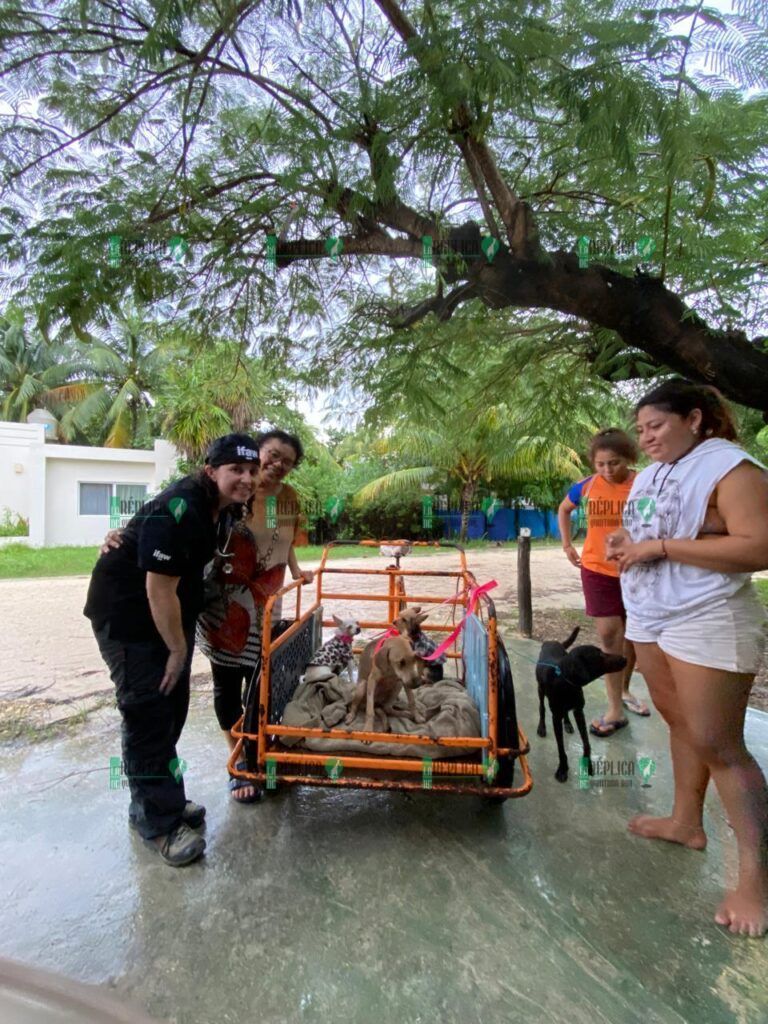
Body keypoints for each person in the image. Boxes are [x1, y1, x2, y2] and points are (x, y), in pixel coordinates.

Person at [606, 379, 768, 937]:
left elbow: (761, 545)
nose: (646, 438)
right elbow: (648, 527)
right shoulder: (650, 474)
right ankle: (685, 822)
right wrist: (626, 541)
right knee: (681, 725)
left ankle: (754, 880)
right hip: (650, 614)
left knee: (721, 744)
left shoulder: (731, 467)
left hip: (707, 616)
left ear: (694, 418)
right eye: (641, 429)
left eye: (656, 426)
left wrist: (661, 547)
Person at [84, 433, 260, 866]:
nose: (246, 478)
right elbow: (157, 588)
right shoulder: (182, 505)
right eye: (235, 469)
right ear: (211, 470)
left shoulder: (221, 509)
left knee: (172, 712)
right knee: (147, 713)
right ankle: (159, 825)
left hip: (164, 618)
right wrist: (179, 651)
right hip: (129, 619)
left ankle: (159, 802)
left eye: (251, 470)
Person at [197, 429, 314, 803]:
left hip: (269, 601)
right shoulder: (232, 492)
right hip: (225, 605)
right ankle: (240, 762)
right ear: (257, 452)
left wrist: (296, 572)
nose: (278, 466)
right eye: (273, 455)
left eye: (288, 462)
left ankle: (260, 750)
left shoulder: (290, 498)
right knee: (229, 683)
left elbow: (285, 539)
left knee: (264, 682)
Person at [557, 428, 650, 736]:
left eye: (615, 463)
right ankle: (615, 709)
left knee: (632, 634)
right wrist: (567, 544)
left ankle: (624, 690)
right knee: (610, 634)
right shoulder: (585, 486)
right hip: (597, 569)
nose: (608, 470)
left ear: (629, 459)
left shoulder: (644, 484)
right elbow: (564, 509)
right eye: (601, 464)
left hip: (636, 569)